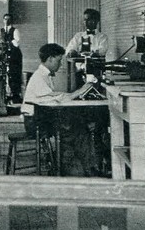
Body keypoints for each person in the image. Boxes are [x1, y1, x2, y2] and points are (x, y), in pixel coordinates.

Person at [22, 43, 101, 177]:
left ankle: (79, 167)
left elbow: (54, 97)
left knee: (77, 127)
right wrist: (79, 92)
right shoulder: (39, 77)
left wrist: (73, 95)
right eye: (58, 61)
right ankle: (80, 169)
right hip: (34, 123)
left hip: (39, 118)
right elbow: (56, 99)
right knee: (77, 131)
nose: (60, 65)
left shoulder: (44, 75)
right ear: (50, 59)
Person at [0, 13, 23, 104]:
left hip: (14, 56)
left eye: (8, 19)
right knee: (3, 75)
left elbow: (16, 43)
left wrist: (9, 41)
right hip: (4, 55)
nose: (6, 21)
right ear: (3, 20)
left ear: (11, 20)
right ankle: (4, 95)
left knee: (14, 75)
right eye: (5, 19)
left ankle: (15, 96)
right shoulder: (0, 30)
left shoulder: (15, 30)